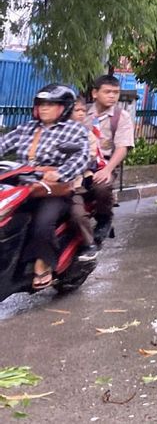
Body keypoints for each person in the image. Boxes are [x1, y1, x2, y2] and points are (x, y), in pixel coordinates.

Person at [0, 84, 90, 289]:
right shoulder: (27, 128)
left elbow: (82, 156)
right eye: (41, 104)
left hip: (53, 191)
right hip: (23, 187)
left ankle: (44, 264)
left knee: (42, 223)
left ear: (64, 108)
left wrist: (59, 173)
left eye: (51, 104)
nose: (44, 108)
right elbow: (3, 144)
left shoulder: (73, 130)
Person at [86, 75, 133, 245]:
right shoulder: (82, 113)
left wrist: (107, 170)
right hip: (80, 163)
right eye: (107, 92)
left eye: (116, 92)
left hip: (105, 163)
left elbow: (122, 147)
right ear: (95, 93)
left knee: (101, 186)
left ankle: (104, 219)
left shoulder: (121, 117)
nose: (112, 96)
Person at [67, 101, 103, 259]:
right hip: (43, 184)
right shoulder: (48, 132)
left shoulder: (87, 134)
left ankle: (89, 243)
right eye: (77, 110)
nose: (81, 113)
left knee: (77, 213)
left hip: (73, 184)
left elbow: (90, 157)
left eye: (83, 110)